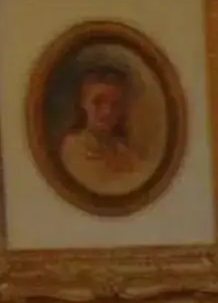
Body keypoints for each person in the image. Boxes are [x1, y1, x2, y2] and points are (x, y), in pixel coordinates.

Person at [57, 59, 150, 199]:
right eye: (98, 102)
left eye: (115, 104)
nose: (107, 111)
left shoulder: (122, 150)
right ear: (83, 104)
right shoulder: (73, 147)